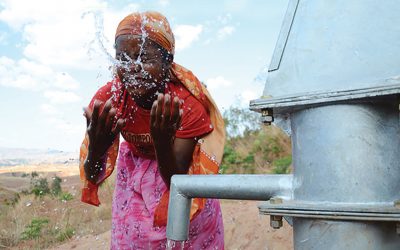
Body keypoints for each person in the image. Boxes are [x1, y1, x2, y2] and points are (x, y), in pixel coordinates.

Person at [79, 11, 226, 249]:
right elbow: (92, 175)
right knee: (133, 239)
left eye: (144, 58)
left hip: (178, 173)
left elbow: (178, 184)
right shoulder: (111, 98)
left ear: (167, 62)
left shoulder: (185, 104)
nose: (133, 68)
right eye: (123, 59)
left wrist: (161, 142)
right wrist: (96, 148)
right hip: (134, 173)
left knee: (187, 240)